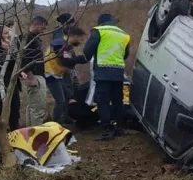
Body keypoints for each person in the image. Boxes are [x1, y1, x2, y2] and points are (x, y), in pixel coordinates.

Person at [83, 13, 130, 141]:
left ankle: (106, 129)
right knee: (117, 101)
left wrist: (88, 57)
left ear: (100, 22)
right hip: (118, 72)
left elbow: (88, 50)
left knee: (102, 101)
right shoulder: (124, 34)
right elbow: (126, 54)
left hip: (103, 72)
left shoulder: (99, 31)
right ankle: (119, 127)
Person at [45, 13, 87, 124]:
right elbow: (65, 60)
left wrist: (77, 59)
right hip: (51, 72)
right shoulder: (60, 39)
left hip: (58, 72)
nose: (80, 42)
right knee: (60, 100)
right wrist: (79, 59)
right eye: (80, 39)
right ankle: (55, 124)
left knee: (67, 95)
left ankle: (65, 117)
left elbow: (68, 58)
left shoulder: (65, 39)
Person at [19, 16, 48, 127]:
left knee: (32, 106)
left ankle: (31, 131)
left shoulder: (35, 38)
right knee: (37, 108)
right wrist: (30, 77)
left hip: (37, 74)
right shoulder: (26, 39)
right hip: (34, 76)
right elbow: (23, 59)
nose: (44, 29)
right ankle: (37, 136)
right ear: (35, 24)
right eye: (42, 26)